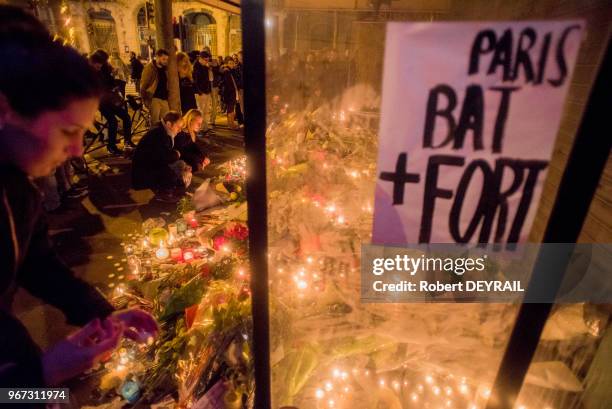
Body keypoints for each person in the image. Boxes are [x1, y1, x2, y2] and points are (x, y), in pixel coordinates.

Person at [0, 5, 157, 389]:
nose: (77, 150)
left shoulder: (19, 187)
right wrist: (42, 376)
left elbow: (37, 263)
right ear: (5, 109)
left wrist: (101, 313)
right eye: (70, 131)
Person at [131, 111, 191, 202]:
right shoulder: (158, 135)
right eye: (178, 127)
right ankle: (163, 193)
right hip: (143, 172)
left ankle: (172, 189)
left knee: (181, 165)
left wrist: (183, 166)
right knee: (173, 171)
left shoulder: (164, 131)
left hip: (151, 166)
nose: (180, 130)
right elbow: (162, 159)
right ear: (169, 124)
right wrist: (176, 155)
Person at [89, 49, 134, 152]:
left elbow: (110, 80)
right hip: (101, 102)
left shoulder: (103, 68)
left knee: (126, 117)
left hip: (110, 99)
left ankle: (127, 142)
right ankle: (111, 146)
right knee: (112, 121)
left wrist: (114, 86)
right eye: (98, 65)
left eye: (102, 64)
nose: (99, 67)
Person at [140, 48, 170, 125]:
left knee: (166, 121)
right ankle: (154, 136)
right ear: (157, 57)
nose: (165, 61)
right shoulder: (149, 68)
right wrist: (145, 100)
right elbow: (143, 85)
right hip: (154, 98)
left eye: (166, 59)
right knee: (155, 122)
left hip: (164, 98)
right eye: (163, 59)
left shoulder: (165, 69)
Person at [193, 51, 214, 133]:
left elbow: (210, 79)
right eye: (205, 60)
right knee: (200, 111)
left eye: (208, 60)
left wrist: (209, 69)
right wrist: (199, 92)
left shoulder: (205, 67)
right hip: (200, 93)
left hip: (206, 91)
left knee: (206, 111)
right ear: (200, 58)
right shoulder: (196, 67)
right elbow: (194, 82)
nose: (207, 62)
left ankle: (205, 126)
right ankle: (200, 128)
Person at [220, 58, 240, 129]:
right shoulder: (226, 71)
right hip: (229, 93)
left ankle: (231, 123)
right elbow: (228, 84)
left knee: (232, 109)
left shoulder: (231, 71)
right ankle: (230, 124)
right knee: (230, 109)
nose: (232, 64)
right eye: (230, 63)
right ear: (227, 64)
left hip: (232, 92)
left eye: (232, 63)